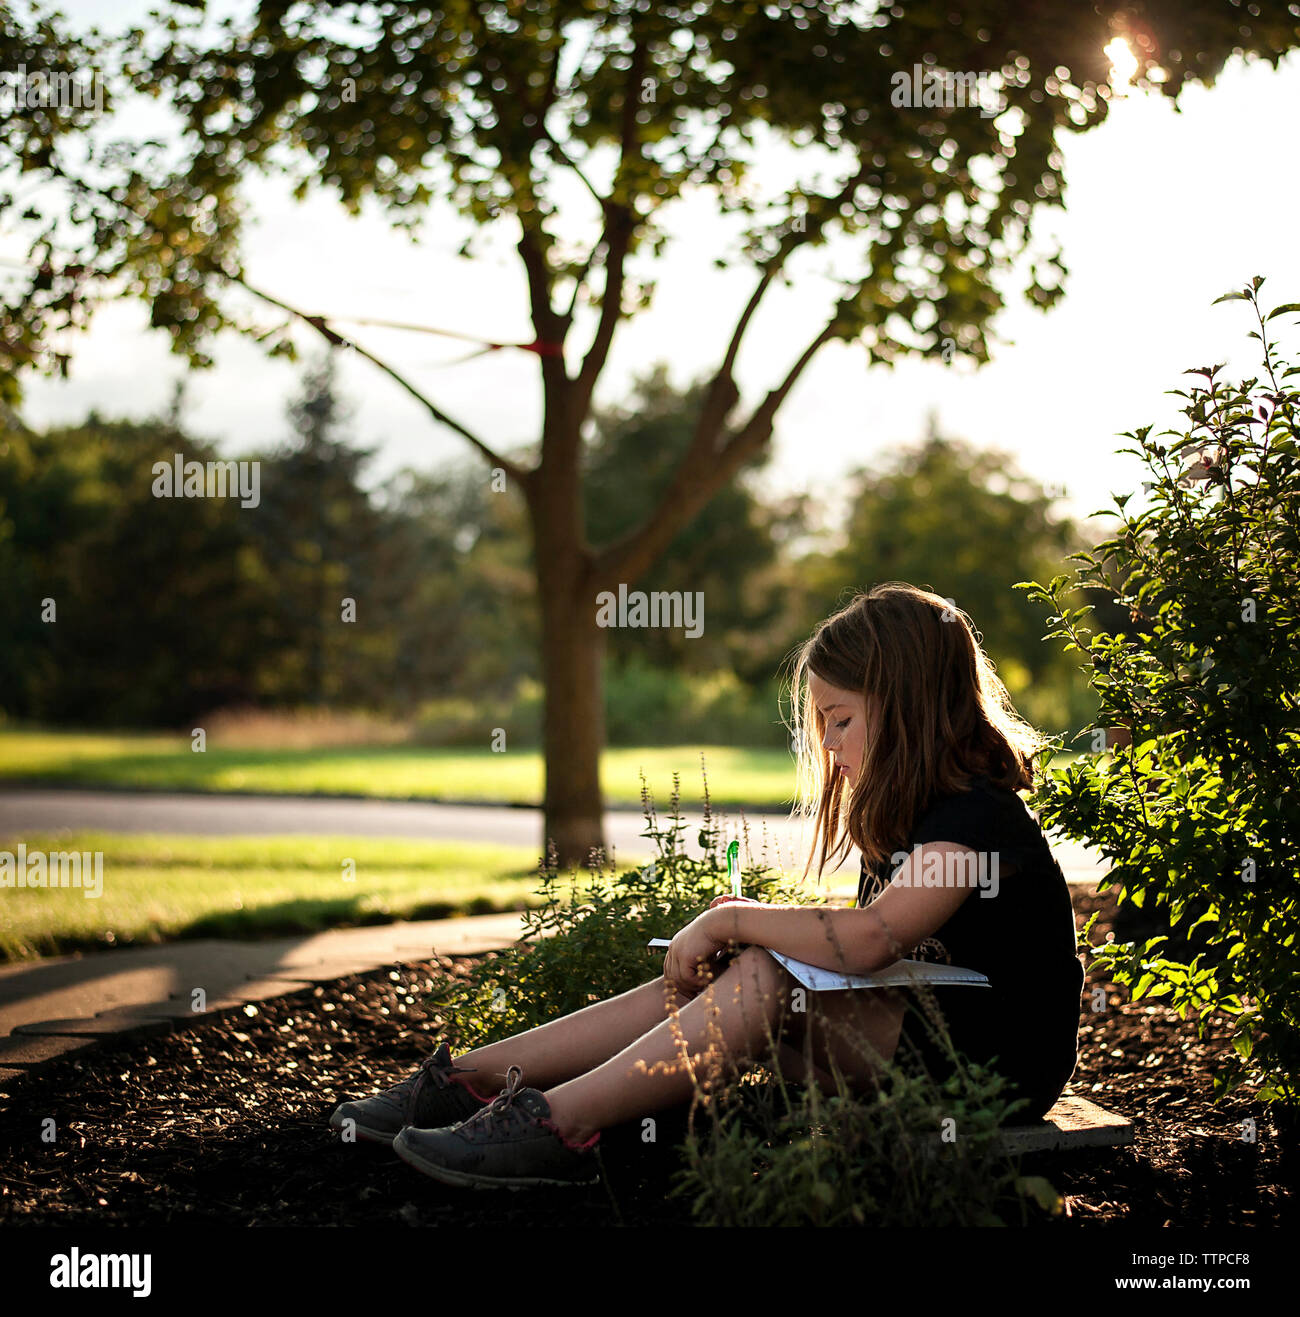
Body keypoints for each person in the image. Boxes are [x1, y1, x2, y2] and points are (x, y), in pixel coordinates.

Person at [328, 582, 1085, 1188]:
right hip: (925, 1041)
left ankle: (555, 1127)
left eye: (841, 719)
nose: (827, 742)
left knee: (757, 969)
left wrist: (737, 922)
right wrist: (748, 935)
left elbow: (871, 937)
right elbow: (877, 956)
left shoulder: (977, 820)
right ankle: (472, 1079)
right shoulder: (914, 814)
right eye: (822, 721)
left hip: (996, 1066)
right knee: (731, 979)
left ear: (910, 707)